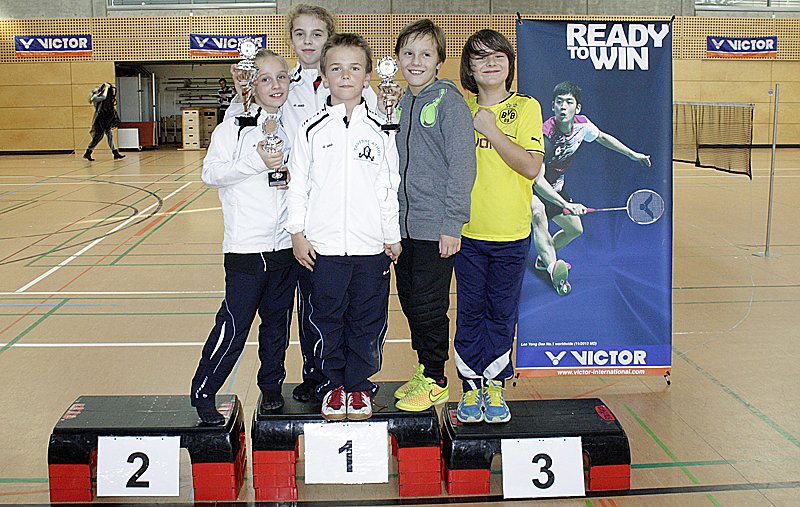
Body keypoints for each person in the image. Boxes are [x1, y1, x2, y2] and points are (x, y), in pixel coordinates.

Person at [226, 4, 378, 404]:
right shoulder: (278, 85)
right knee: (307, 307)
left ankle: (334, 380)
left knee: (334, 303)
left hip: (340, 217)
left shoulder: (357, 87)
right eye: (300, 34)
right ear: (290, 38)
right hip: (291, 215)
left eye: (316, 34)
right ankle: (315, 376)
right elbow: (243, 127)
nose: (308, 42)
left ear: (329, 37)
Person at [286, 33, 401, 422]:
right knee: (326, 320)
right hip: (324, 248)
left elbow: (389, 185)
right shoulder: (310, 129)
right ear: (324, 76)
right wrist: (297, 233)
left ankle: (358, 387)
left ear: (368, 76)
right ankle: (332, 385)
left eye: (354, 68)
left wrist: (391, 235)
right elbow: (297, 183)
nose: (345, 75)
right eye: (336, 68)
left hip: (371, 249)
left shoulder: (382, 129)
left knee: (367, 320)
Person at [190, 49, 297, 425]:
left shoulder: (294, 126)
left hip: (284, 248)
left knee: (277, 326)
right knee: (233, 325)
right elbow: (210, 174)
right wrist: (255, 161)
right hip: (246, 250)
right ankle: (204, 389)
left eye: (281, 76)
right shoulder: (230, 128)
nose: (275, 85)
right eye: (265, 78)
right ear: (251, 83)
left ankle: (271, 388)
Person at [385, 20, 476, 413]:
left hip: (435, 227)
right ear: (398, 59)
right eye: (408, 53)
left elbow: (463, 166)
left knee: (428, 305)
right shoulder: (398, 102)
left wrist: (452, 224)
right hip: (401, 229)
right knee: (410, 303)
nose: (416, 61)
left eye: (425, 54)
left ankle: (437, 378)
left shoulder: (448, 102)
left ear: (440, 60)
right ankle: (425, 368)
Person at [455, 29, 544, 424]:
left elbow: (530, 166)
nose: (490, 62)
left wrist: (491, 130)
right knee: (470, 311)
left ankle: (495, 385)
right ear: (469, 68)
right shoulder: (459, 109)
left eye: (498, 56)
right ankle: (471, 387)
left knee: (501, 312)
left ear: (509, 64)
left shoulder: (526, 107)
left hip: (511, 233)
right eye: (480, 57)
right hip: (467, 233)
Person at [530, 80, 651, 295]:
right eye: (559, 102)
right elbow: (537, 181)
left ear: (577, 108)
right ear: (553, 107)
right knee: (539, 217)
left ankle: (544, 258)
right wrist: (567, 204)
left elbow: (603, 137)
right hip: (533, 188)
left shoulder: (582, 126)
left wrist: (633, 154)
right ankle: (553, 270)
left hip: (557, 188)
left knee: (575, 230)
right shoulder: (544, 135)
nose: (563, 107)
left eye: (568, 102)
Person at [83, 82, 124, 161]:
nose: (100, 91)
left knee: (109, 136)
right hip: (99, 120)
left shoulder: (98, 96)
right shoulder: (95, 98)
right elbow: (104, 97)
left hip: (104, 119)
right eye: (98, 90)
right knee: (98, 137)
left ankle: (115, 153)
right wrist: (107, 88)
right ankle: (88, 152)